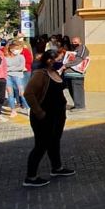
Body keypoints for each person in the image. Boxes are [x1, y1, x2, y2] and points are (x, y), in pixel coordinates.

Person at [23, 50, 76, 187]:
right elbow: (28, 93)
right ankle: (31, 177)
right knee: (41, 145)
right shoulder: (40, 74)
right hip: (44, 116)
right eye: (58, 59)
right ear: (49, 60)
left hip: (58, 115)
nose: (61, 62)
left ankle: (57, 168)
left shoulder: (56, 73)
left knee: (54, 142)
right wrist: (39, 112)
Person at [63, 37, 89, 111]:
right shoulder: (74, 49)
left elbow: (79, 59)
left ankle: (80, 106)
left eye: (75, 42)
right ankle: (77, 104)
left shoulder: (82, 48)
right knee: (72, 90)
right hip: (70, 74)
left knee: (77, 90)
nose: (73, 44)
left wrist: (66, 65)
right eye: (72, 42)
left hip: (77, 74)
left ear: (80, 42)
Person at [5, 42, 29, 117]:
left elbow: (21, 67)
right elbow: (4, 67)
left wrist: (9, 69)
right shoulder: (6, 57)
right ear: (11, 49)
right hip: (8, 76)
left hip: (18, 76)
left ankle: (28, 109)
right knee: (10, 94)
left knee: (22, 93)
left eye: (18, 49)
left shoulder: (21, 56)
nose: (18, 50)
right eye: (16, 49)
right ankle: (13, 111)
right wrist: (13, 69)